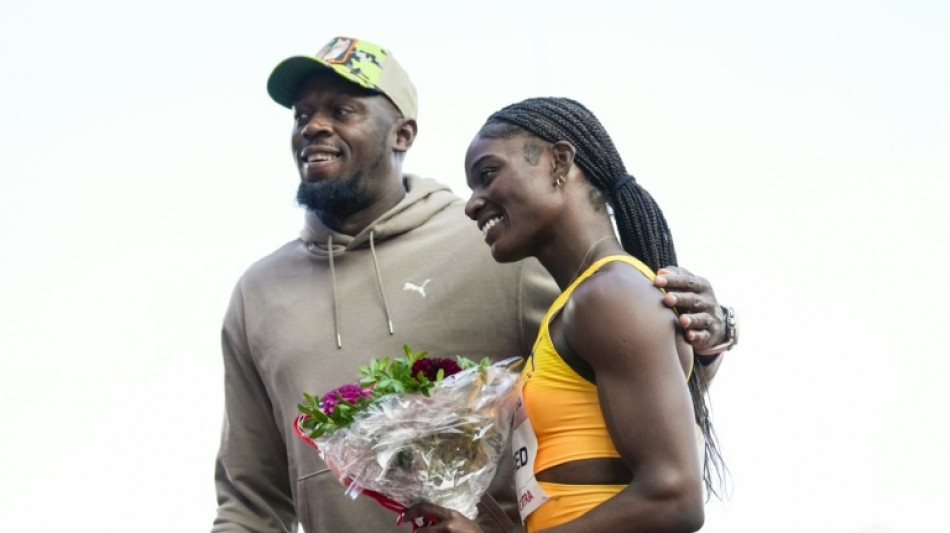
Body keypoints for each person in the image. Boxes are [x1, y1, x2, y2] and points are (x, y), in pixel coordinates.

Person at [212, 36, 737, 533]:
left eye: (342, 110)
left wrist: (708, 337)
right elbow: (250, 496)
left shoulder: (505, 243)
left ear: (402, 133)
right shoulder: (259, 293)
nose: (313, 127)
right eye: (301, 115)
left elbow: (644, 390)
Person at [400, 98, 726, 533]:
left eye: (488, 174)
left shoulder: (609, 294)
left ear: (559, 161)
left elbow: (674, 499)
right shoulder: (580, 302)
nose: (472, 204)